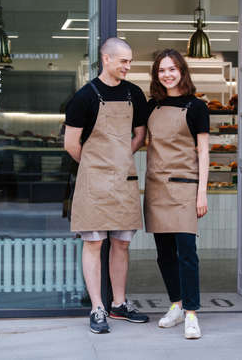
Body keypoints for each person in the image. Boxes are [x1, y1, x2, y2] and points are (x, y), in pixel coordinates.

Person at [64, 37, 149, 334]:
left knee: (122, 243)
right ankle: (97, 307)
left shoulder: (135, 94)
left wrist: (121, 157)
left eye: (130, 61)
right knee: (94, 242)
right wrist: (95, 165)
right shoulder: (84, 97)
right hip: (93, 182)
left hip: (124, 179)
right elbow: (71, 144)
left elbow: (140, 135)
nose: (128, 66)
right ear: (106, 59)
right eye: (123, 60)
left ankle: (119, 304)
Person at [144, 48, 209, 339]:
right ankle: (176, 305)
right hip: (157, 187)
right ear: (156, 75)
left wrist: (202, 193)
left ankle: (192, 313)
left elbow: (204, 152)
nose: (167, 74)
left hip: (185, 187)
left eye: (171, 69)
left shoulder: (197, 107)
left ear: (181, 71)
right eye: (161, 70)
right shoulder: (151, 107)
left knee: (187, 253)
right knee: (164, 254)